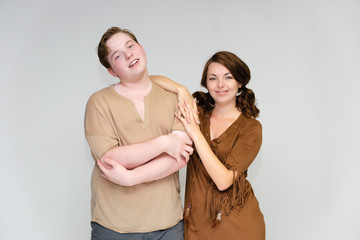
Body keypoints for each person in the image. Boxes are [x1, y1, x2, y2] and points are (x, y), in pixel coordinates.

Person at [84, 27, 193, 240]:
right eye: (117, 55)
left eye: (130, 46)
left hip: (168, 225)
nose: (128, 55)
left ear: (142, 49)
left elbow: (180, 155)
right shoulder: (99, 102)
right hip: (114, 227)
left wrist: (131, 178)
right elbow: (110, 159)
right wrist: (164, 143)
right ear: (111, 71)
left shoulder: (174, 97)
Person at [152, 51, 265, 239]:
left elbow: (224, 181)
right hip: (196, 225)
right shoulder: (196, 113)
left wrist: (195, 133)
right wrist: (181, 90)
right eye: (213, 78)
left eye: (228, 77)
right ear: (206, 83)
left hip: (239, 227)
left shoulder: (251, 128)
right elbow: (147, 82)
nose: (220, 84)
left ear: (240, 82)